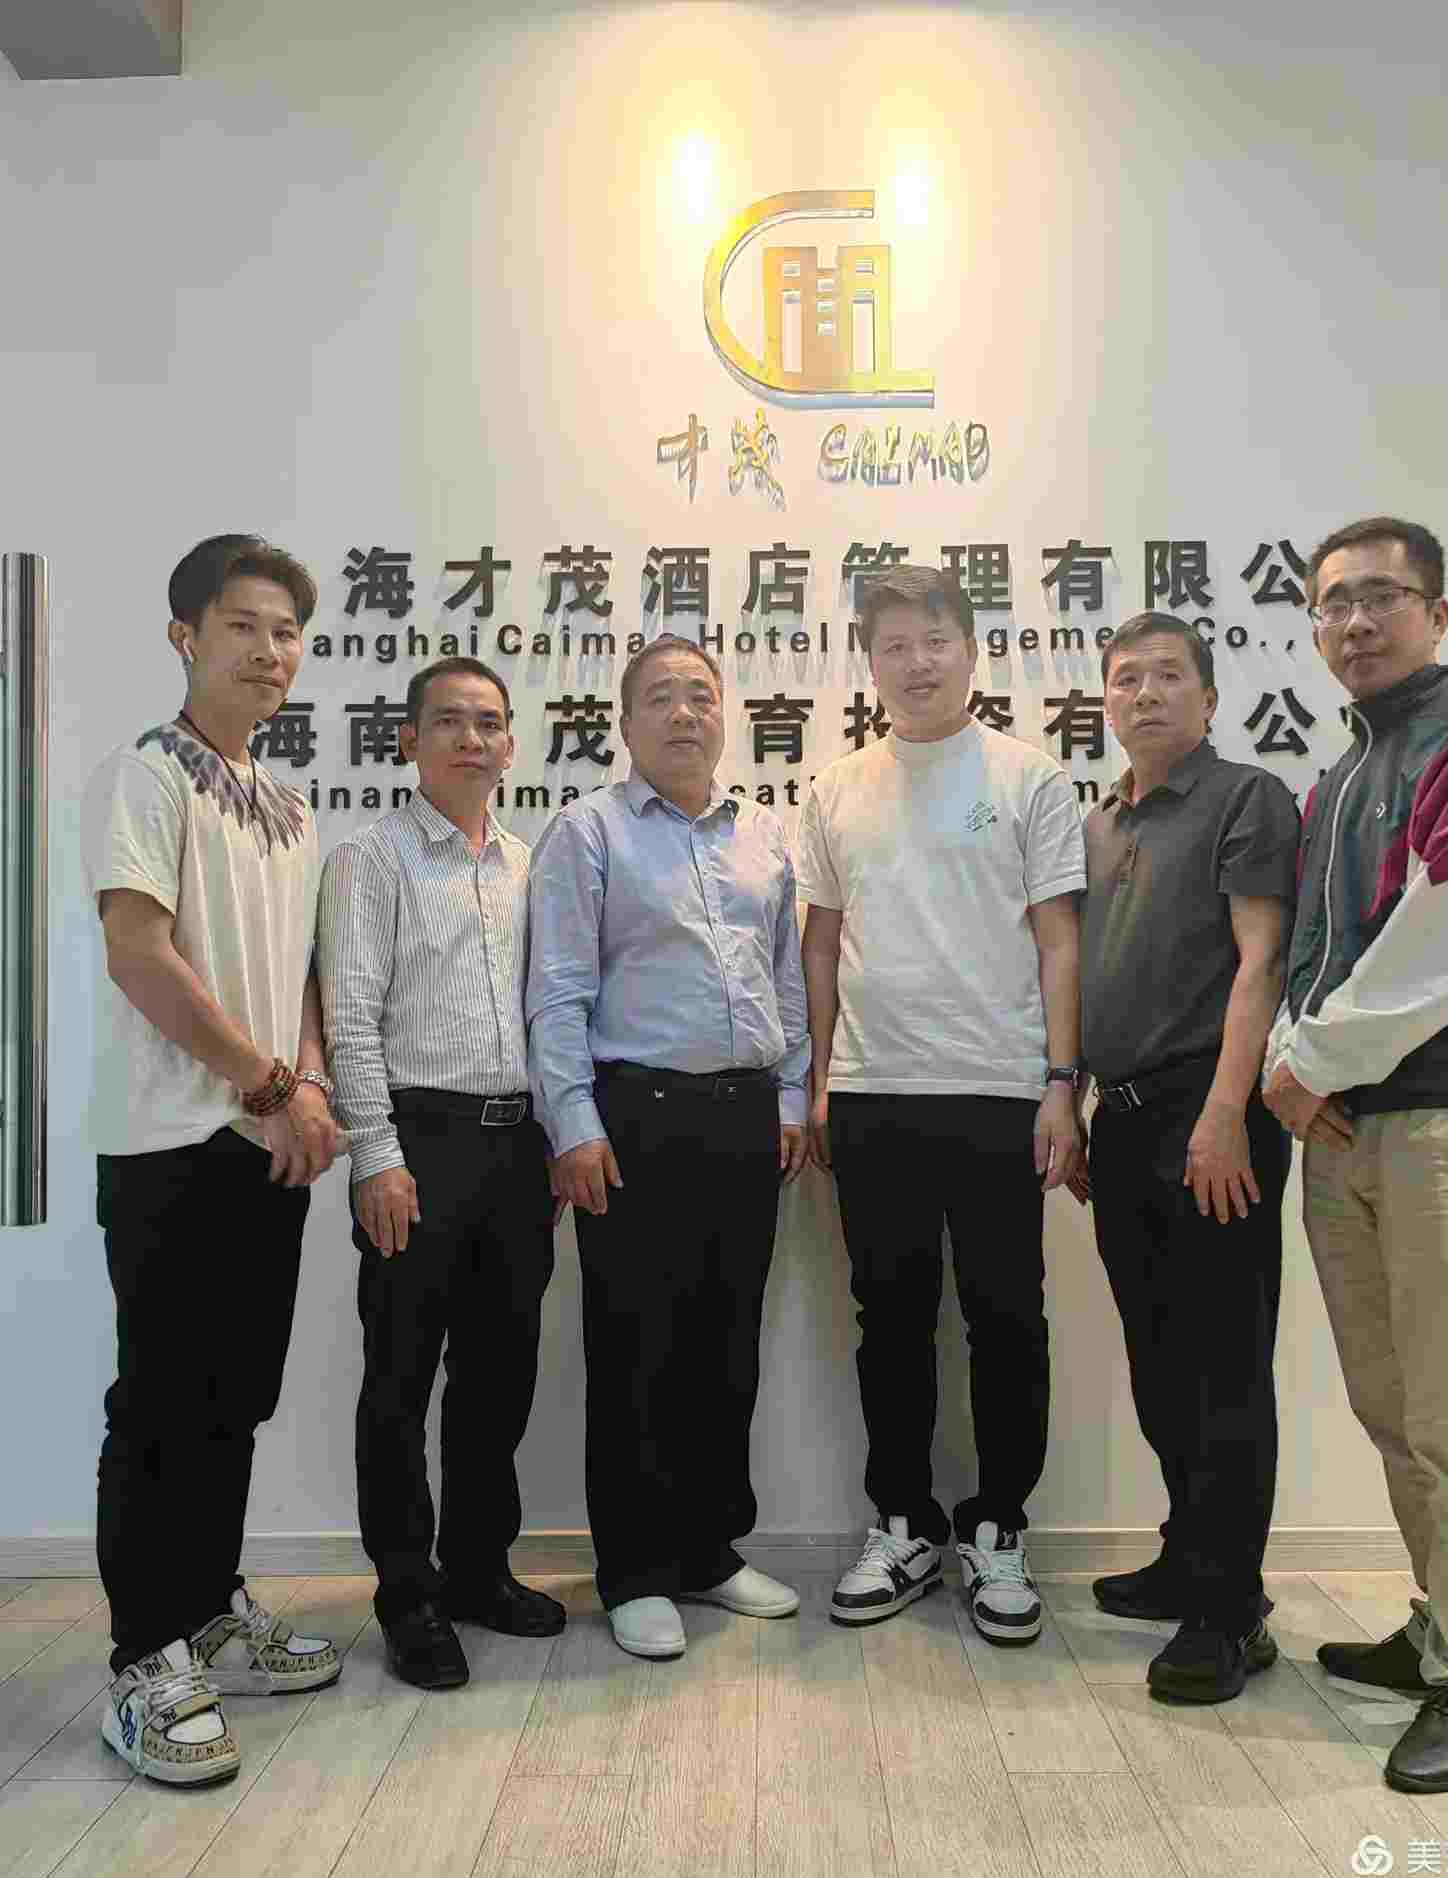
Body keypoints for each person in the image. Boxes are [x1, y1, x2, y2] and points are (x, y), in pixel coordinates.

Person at [82, 534, 343, 1787]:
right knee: (161, 1406)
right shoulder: (145, 774)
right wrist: (270, 1084)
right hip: (173, 1142)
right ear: (185, 635)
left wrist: (305, 1088)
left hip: (264, 1144)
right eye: (243, 625)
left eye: (286, 631)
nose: (269, 650)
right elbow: (141, 953)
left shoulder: (289, 807)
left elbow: (298, 975)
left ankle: (207, 1610)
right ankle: (144, 1661)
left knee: (233, 1400)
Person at [796, 564, 1085, 1644]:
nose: (915, 662)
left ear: (971, 650)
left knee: (1008, 1318)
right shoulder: (837, 787)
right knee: (892, 1321)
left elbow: (1059, 941)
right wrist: (819, 1081)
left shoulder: (1028, 777)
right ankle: (904, 1522)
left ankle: (999, 1526)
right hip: (874, 1092)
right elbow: (821, 945)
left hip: (1003, 1092)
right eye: (894, 645)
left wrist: (1060, 1082)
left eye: (935, 641)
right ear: (870, 662)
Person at [1264, 517, 1448, 1791]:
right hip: (1344, 1129)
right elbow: (1310, 954)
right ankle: (1443, 1626)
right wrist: (1290, 1069)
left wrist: (1304, 1065)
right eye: (1333, 603)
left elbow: (1447, 945)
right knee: (1392, 1403)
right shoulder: (1340, 775)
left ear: (1438, 613)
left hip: (1442, 1124)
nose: (1355, 621)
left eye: (1381, 597)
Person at [526, 634, 809, 1660]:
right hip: (632, 1118)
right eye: (660, 698)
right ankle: (636, 1568)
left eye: (700, 696)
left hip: (746, 1119)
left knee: (725, 1343)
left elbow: (785, 981)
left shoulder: (764, 834)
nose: (684, 714)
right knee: (635, 1347)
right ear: (626, 721)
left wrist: (791, 1098)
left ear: (724, 713)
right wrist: (574, 1123)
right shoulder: (587, 831)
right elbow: (557, 990)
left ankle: (706, 1549)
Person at [318, 660, 565, 1692]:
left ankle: (477, 1569)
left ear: (511, 745)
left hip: (517, 1148)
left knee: (499, 1374)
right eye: (450, 722)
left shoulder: (526, 864)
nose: (472, 739)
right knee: (400, 1378)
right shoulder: (368, 859)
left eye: (489, 723)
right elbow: (349, 1016)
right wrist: (376, 1153)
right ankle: (406, 1593)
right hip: (417, 1141)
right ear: (408, 740)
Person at [1075, 611, 1299, 1703]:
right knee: (1160, 1358)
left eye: (1170, 676)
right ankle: (1187, 1555)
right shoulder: (1101, 820)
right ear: (1106, 703)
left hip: (1211, 1118)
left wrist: (1223, 1113)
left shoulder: (1245, 798)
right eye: (1127, 678)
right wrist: (1079, 1104)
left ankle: (1228, 1610)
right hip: (1121, 1121)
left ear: (1208, 699)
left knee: (1223, 1364)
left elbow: (1262, 962)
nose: (1147, 693)